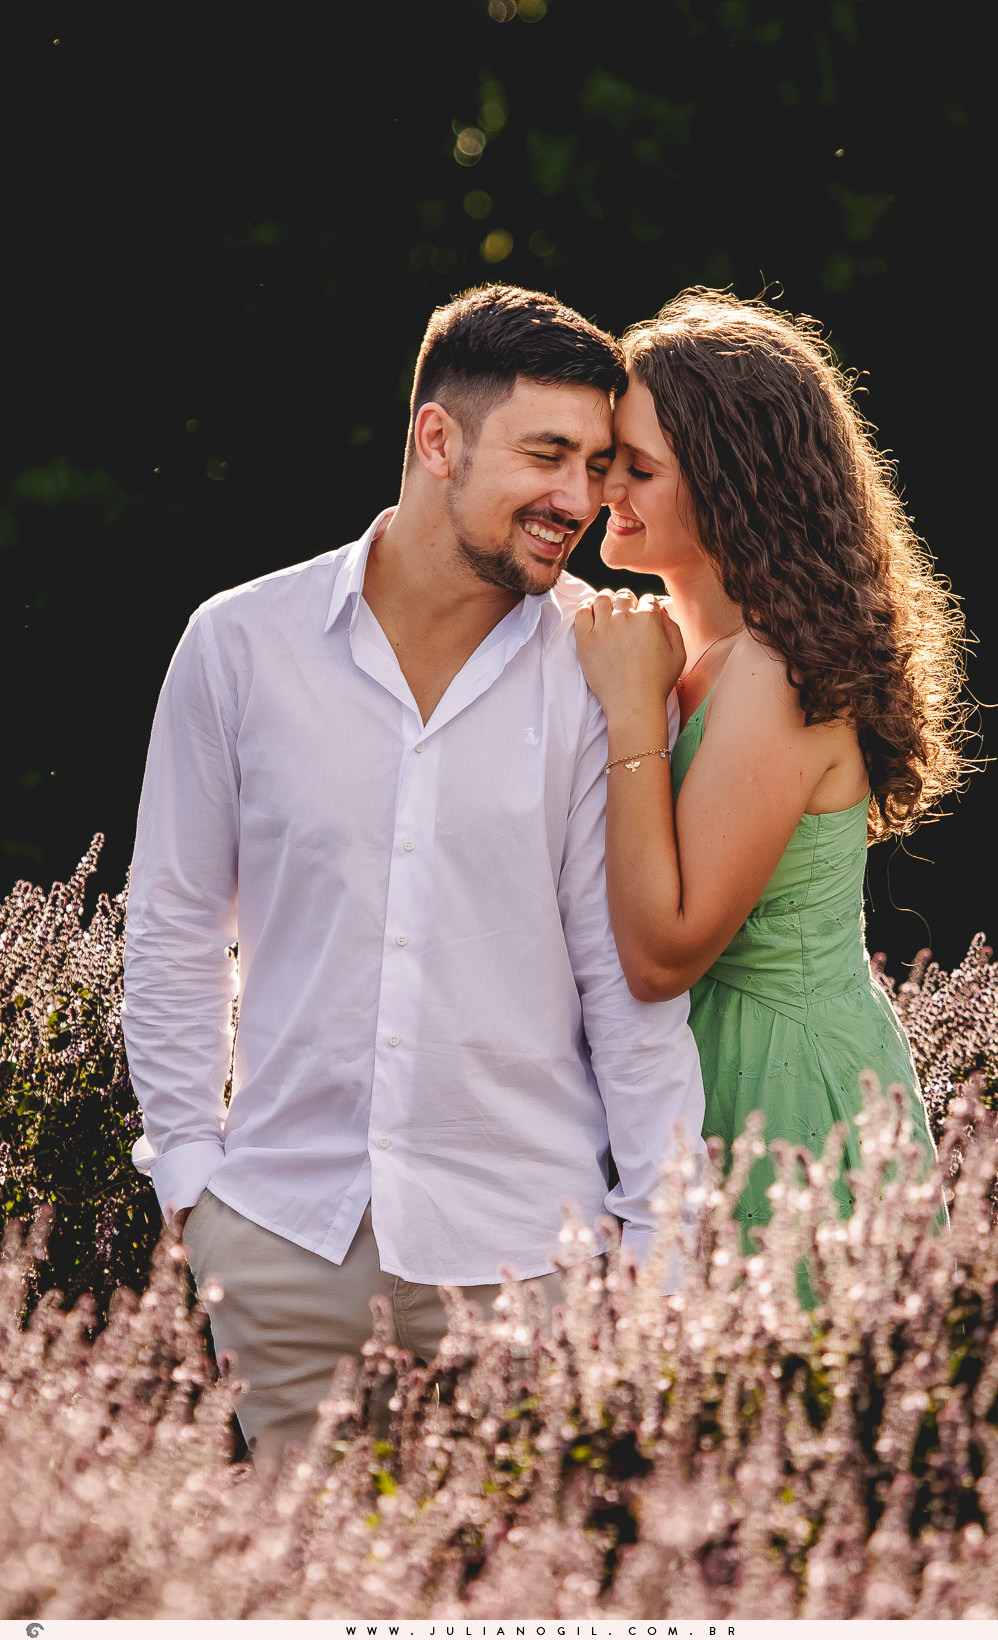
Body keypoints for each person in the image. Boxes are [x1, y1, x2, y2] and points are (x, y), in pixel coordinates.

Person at [122, 284, 707, 1468]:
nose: (577, 500)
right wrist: (191, 1181)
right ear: (437, 440)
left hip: (527, 1263)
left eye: (597, 464)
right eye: (546, 455)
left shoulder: (600, 668)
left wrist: (660, 1240)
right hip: (285, 1249)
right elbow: (176, 922)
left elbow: (626, 981)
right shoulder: (238, 646)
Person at [575, 288, 968, 1255]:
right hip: (690, 1076)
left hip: (785, 1096)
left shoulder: (777, 675)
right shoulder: (690, 654)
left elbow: (664, 953)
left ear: (729, 482)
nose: (605, 488)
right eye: (604, 459)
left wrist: (631, 712)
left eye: (640, 467)